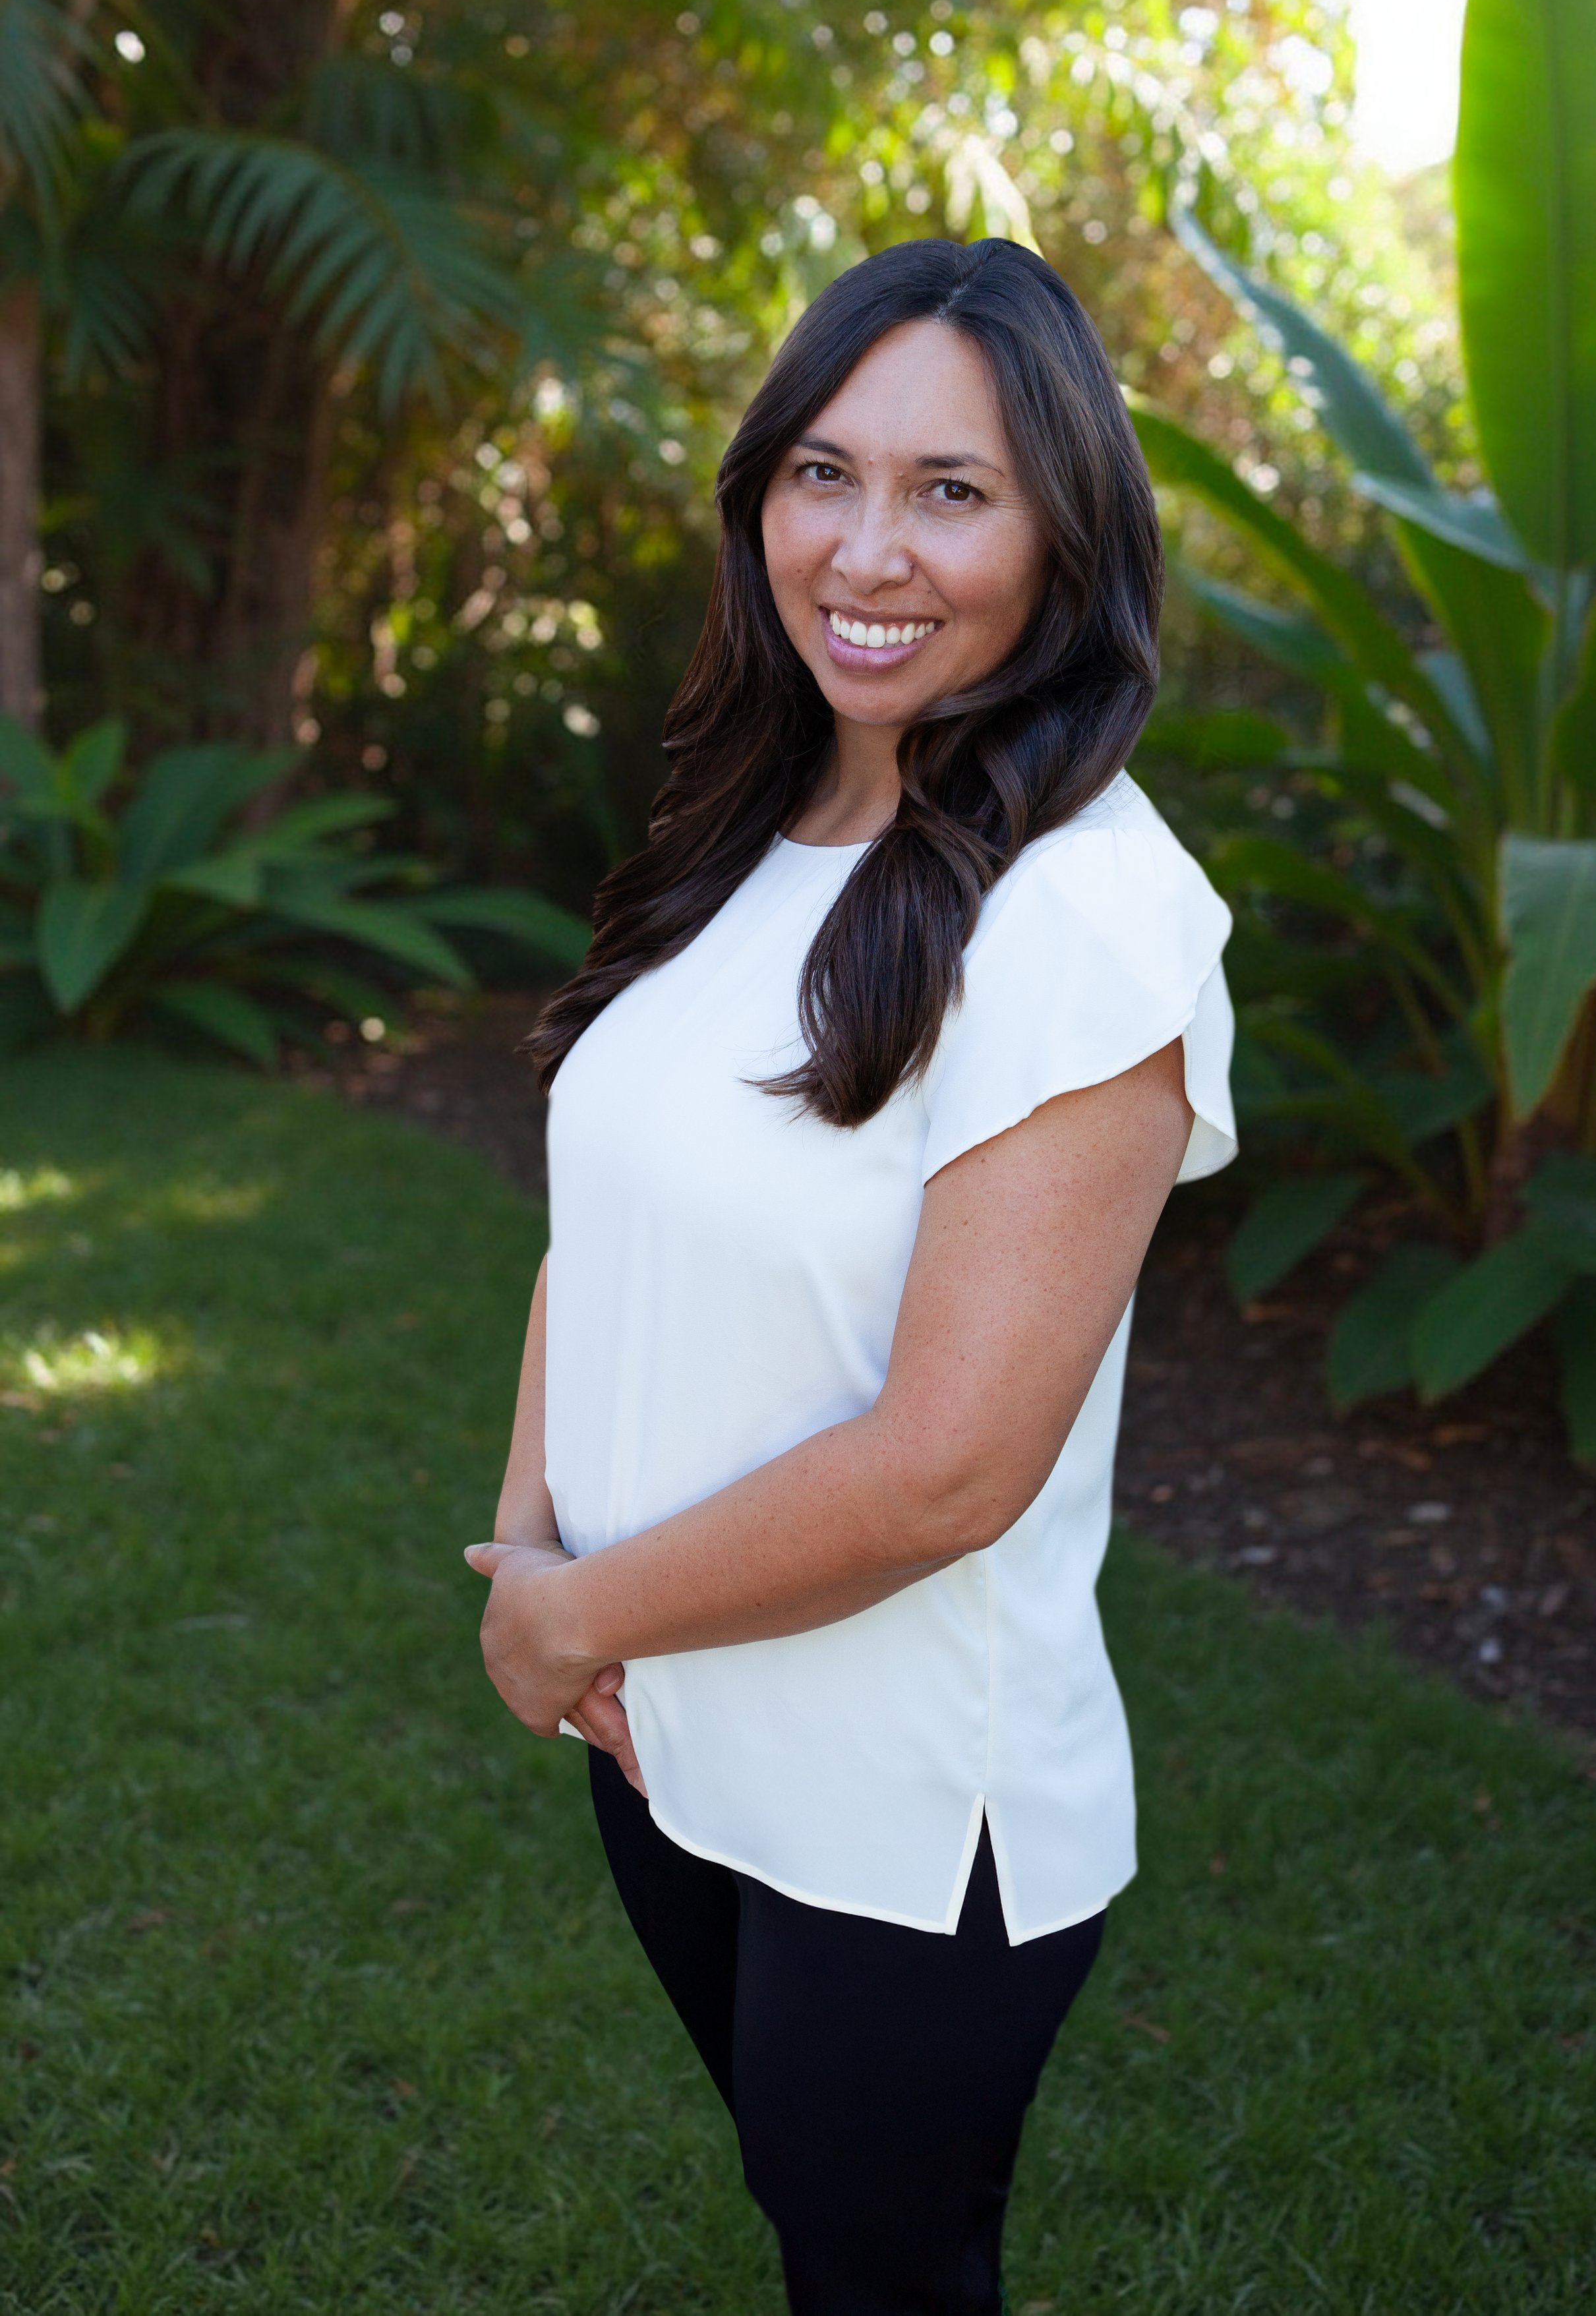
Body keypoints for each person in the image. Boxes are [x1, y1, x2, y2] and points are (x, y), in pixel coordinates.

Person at [465, 235, 1235, 2315]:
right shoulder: (760, 813)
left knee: (881, 2277)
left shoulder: (1085, 916)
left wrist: (567, 1617)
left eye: (950, 491)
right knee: (824, 2235)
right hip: (667, 1724)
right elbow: (601, 1213)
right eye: (823, 472)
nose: (866, 548)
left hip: (901, 1821)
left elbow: (944, 1471)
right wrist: (530, 1546)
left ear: (1064, 531)